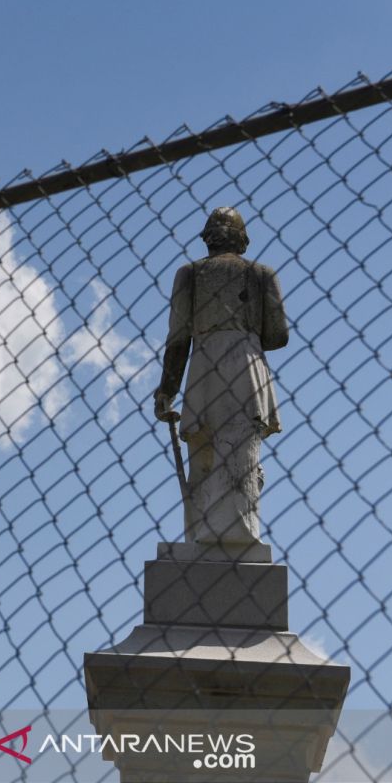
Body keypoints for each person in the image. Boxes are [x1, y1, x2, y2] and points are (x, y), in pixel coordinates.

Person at [154, 207, 289, 546]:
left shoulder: (189, 274)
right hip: (247, 360)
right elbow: (278, 335)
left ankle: (203, 530)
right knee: (243, 448)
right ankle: (242, 529)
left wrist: (166, 390)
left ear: (207, 238)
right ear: (242, 239)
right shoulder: (262, 274)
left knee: (203, 450)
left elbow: (178, 339)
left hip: (204, 362)